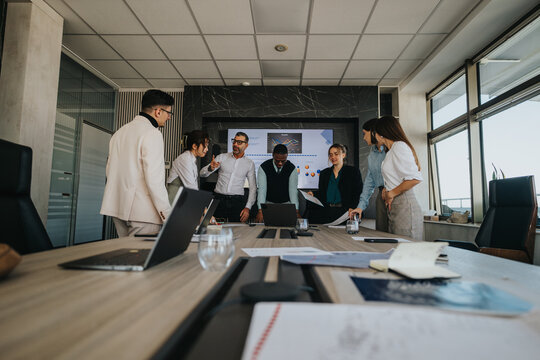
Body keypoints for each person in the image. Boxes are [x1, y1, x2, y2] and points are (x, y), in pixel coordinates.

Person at [100, 89, 174, 237]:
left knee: (126, 256)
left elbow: (110, 170)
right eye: (169, 113)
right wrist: (167, 214)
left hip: (118, 208)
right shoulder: (153, 134)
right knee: (142, 258)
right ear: (158, 111)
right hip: (143, 213)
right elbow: (154, 180)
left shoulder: (119, 133)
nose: (169, 118)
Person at [374, 115, 423, 241]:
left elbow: (415, 178)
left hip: (404, 205)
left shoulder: (399, 146)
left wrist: (392, 193)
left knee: (405, 253)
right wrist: (387, 190)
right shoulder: (390, 151)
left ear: (381, 133)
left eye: (375, 133)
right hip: (396, 204)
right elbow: (395, 177)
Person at [200, 132, 256, 223]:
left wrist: (247, 208)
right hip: (218, 201)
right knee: (214, 230)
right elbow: (202, 174)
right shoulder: (222, 157)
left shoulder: (249, 163)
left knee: (237, 232)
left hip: (237, 202)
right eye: (234, 141)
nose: (235, 144)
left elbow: (253, 188)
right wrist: (210, 168)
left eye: (239, 142)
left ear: (246, 145)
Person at [349, 118, 388, 231]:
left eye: (365, 134)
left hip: (395, 194)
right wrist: (360, 207)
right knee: (382, 233)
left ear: (373, 132)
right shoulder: (373, 153)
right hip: (381, 196)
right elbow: (369, 182)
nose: (364, 138)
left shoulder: (392, 150)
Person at [307, 144, 363, 224]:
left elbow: (357, 192)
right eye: (331, 155)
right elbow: (322, 193)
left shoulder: (353, 171)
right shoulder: (324, 173)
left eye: (336, 154)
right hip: (327, 211)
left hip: (345, 211)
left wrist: (353, 207)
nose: (333, 157)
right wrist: (313, 194)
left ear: (343, 155)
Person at [255, 144, 300, 223]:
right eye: (277, 160)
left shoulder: (292, 168)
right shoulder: (264, 167)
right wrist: (260, 211)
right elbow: (262, 191)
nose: (280, 163)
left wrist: (296, 211)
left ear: (287, 156)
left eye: (283, 161)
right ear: (273, 156)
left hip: (286, 204)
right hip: (269, 204)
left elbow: (293, 191)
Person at [166, 130, 209, 203]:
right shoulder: (185, 159)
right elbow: (191, 188)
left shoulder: (191, 159)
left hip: (180, 202)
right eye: (205, 146)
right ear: (194, 146)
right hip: (173, 203)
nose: (207, 149)